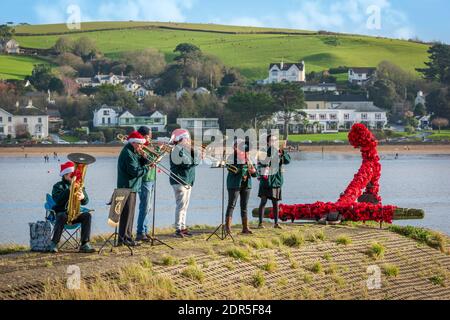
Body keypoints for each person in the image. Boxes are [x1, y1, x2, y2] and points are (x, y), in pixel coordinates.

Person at [48, 161, 95, 253]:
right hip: (63, 214)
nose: (74, 176)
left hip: (75, 214)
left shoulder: (79, 184)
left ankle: (85, 244)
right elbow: (58, 201)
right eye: (71, 174)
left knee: (87, 216)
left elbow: (86, 202)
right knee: (61, 216)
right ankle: (54, 243)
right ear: (65, 175)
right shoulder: (58, 186)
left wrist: (83, 197)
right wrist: (69, 190)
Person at [117, 131, 151, 247]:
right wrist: (147, 169)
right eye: (140, 144)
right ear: (134, 143)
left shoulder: (133, 152)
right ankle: (123, 238)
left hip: (132, 187)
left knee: (130, 214)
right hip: (127, 187)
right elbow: (135, 172)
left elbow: (139, 165)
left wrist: (144, 158)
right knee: (126, 214)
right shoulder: (128, 153)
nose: (142, 147)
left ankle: (127, 237)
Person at [169, 129, 200, 238]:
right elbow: (186, 163)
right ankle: (178, 229)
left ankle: (182, 226)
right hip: (179, 181)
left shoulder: (185, 149)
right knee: (180, 205)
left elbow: (194, 160)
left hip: (187, 181)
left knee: (185, 206)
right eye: (186, 139)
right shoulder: (177, 150)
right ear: (181, 140)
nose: (188, 141)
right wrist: (196, 158)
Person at [257, 134, 291, 229]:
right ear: (268, 142)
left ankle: (276, 223)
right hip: (266, 180)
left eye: (275, 141)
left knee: (275, 203)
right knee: (263, 201)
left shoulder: (279, 152)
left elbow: (287, 161)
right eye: (271, 141)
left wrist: (283, 151)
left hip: (276, 180)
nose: (273, 142)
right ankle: (260, 223)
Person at [225, 140, 258, 235]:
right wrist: (242, 165)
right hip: (234, 184)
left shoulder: (249, 157)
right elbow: (231, 169)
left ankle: (245, 228)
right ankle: (227, 228)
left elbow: (256, 174)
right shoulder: (231, 157)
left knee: (244, 206)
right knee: (231, 205)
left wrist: (253, 171)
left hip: (246, 184)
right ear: (234, 147)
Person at [135, 126, 157, 242]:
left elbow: (154, 158)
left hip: (151, 178)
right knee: (144, 206)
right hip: (144, 179)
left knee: (148, 207)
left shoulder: (149, 146)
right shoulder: (139, 147)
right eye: (149, 135)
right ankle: (140, 232)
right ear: (143, 136)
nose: (150, 138)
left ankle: (145, 230)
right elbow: (143, 163)